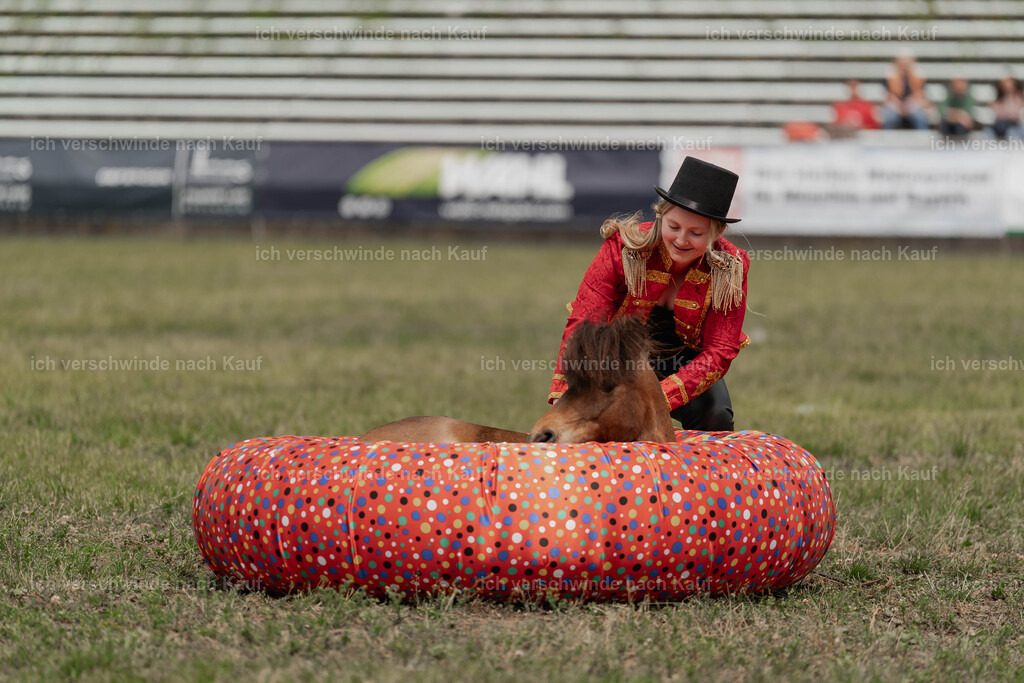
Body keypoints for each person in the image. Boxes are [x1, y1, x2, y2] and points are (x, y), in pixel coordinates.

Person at [547, 157, 750, 431]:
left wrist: (656, 399)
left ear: (717, 232)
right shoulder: (622, 247)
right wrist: (564, 392)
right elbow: (585, 322)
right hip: (620, 354)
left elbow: (720, 350)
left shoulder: (731, 267)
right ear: (660, 215)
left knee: (717, 416)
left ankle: (696, 473)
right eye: (674, 227)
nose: (681, 240)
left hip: (686, 361)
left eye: (696, 233)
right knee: (593, 420)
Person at [881, 51, 932, 130]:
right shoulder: (890, 74)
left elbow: (919, 93)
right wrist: (899, 105)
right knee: (890, 118)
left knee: (919, 118)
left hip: (913, 104)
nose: (904, 63)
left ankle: (923, 139)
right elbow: (889, 94)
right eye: (902, 60)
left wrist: (907, 105)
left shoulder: (918, 74)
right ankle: (886, 140)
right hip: (895, 104)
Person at [989, 76, 1024, 140]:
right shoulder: (999, 98)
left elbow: (1015, 113)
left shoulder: (1018, 97)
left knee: (1012, 133)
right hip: (1000, 125)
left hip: (1013, 125)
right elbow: (996, 112)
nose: (1007, 86)